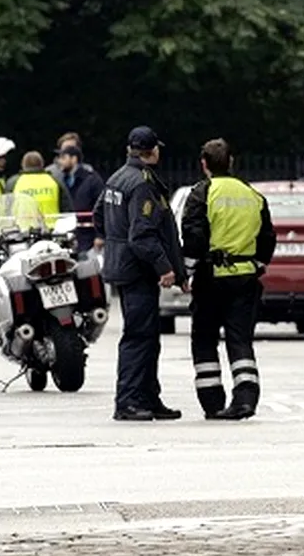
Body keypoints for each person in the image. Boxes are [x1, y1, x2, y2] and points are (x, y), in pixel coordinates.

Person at [93, 126, 188, 422]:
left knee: (148, 335)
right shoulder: (142, 183)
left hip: (125, 265)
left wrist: (115, 243)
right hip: (138, 270)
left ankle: (148, 397)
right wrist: (165, 267)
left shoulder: (117, 178)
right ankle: (129, 401)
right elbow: (143, 235)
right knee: (138, 336)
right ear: (152, 151)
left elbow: (99, 217)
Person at [180, 138, 276, 420]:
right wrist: (257, 264)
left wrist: (187, 271)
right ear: (231, 162)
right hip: (245, 278)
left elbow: (194, 236)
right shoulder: (252, 194)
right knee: (240, 340)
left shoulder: (203, 192)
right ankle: (245, 399)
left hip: (211, 278)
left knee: (204, 338)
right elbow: (268, 236)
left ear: (204, 164)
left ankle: (212, 401)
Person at [53, 145, 106, 254]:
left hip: (88, 238)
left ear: (74, 159)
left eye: (63, 158)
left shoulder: (92, 180)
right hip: (69, 238)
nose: (59, 161)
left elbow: (103, 208)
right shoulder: (61, 181)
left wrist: (100, 235)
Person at [5, 150, 74, 229]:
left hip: (23, 232)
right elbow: (67, 210)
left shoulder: (13, 183)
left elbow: (7, 210)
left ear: (23, 165)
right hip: (52, 232)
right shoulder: (54, 181)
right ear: (42, 164)